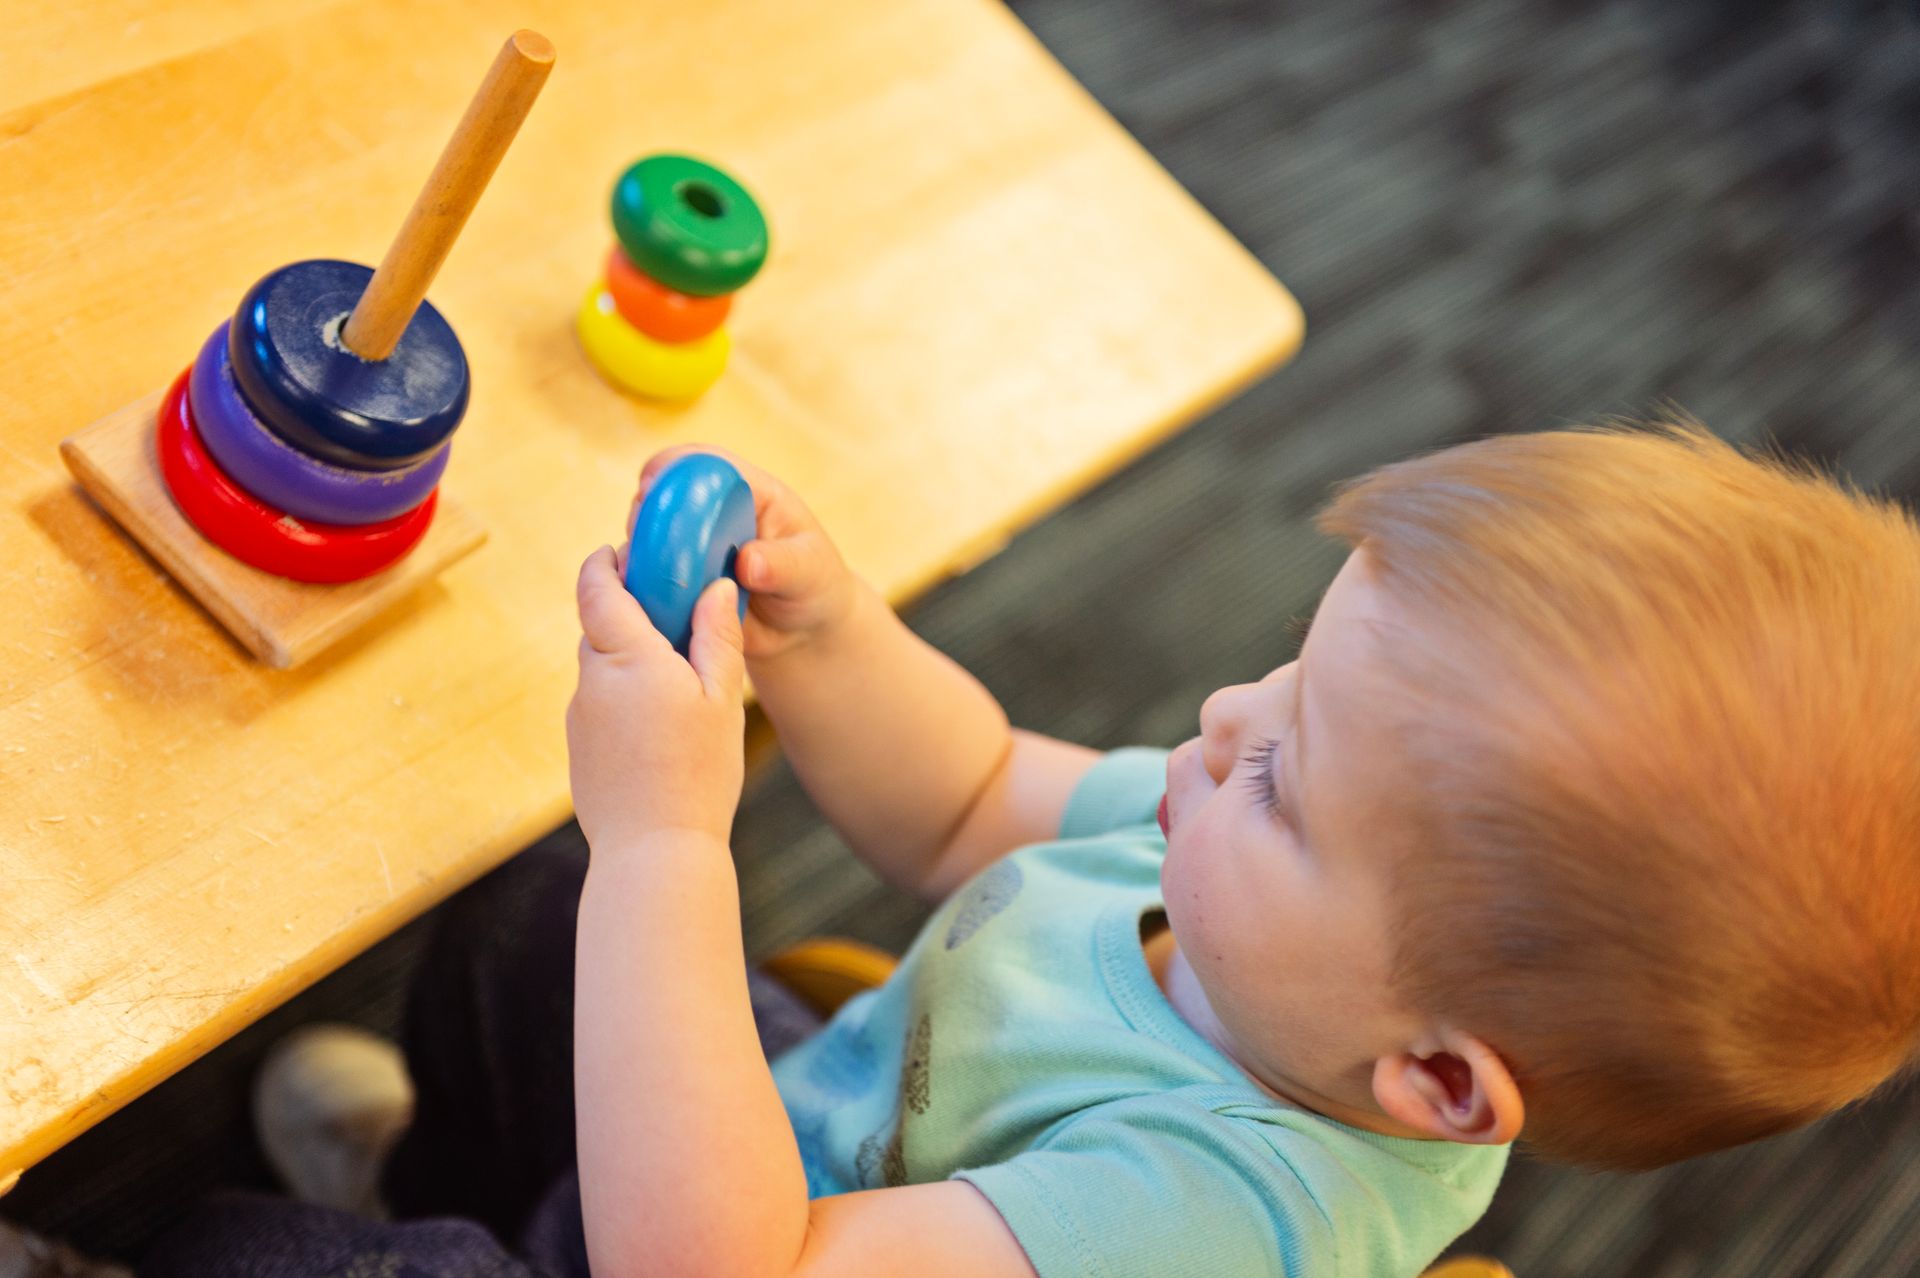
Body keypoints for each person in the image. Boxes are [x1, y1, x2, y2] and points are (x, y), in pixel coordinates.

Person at [95, 420, 1920, 1275]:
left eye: (1290, 773)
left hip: (729, 1247)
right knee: (536, 915)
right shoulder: (1263, 915)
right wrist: (831, 638)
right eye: (1289, 667)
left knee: (267, 1263)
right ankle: (452, 1180)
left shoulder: (1212, 1212)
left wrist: (670, 834)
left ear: (1436, 1078)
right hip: (792, 1156)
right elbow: (967, 793)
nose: (1225, 715)